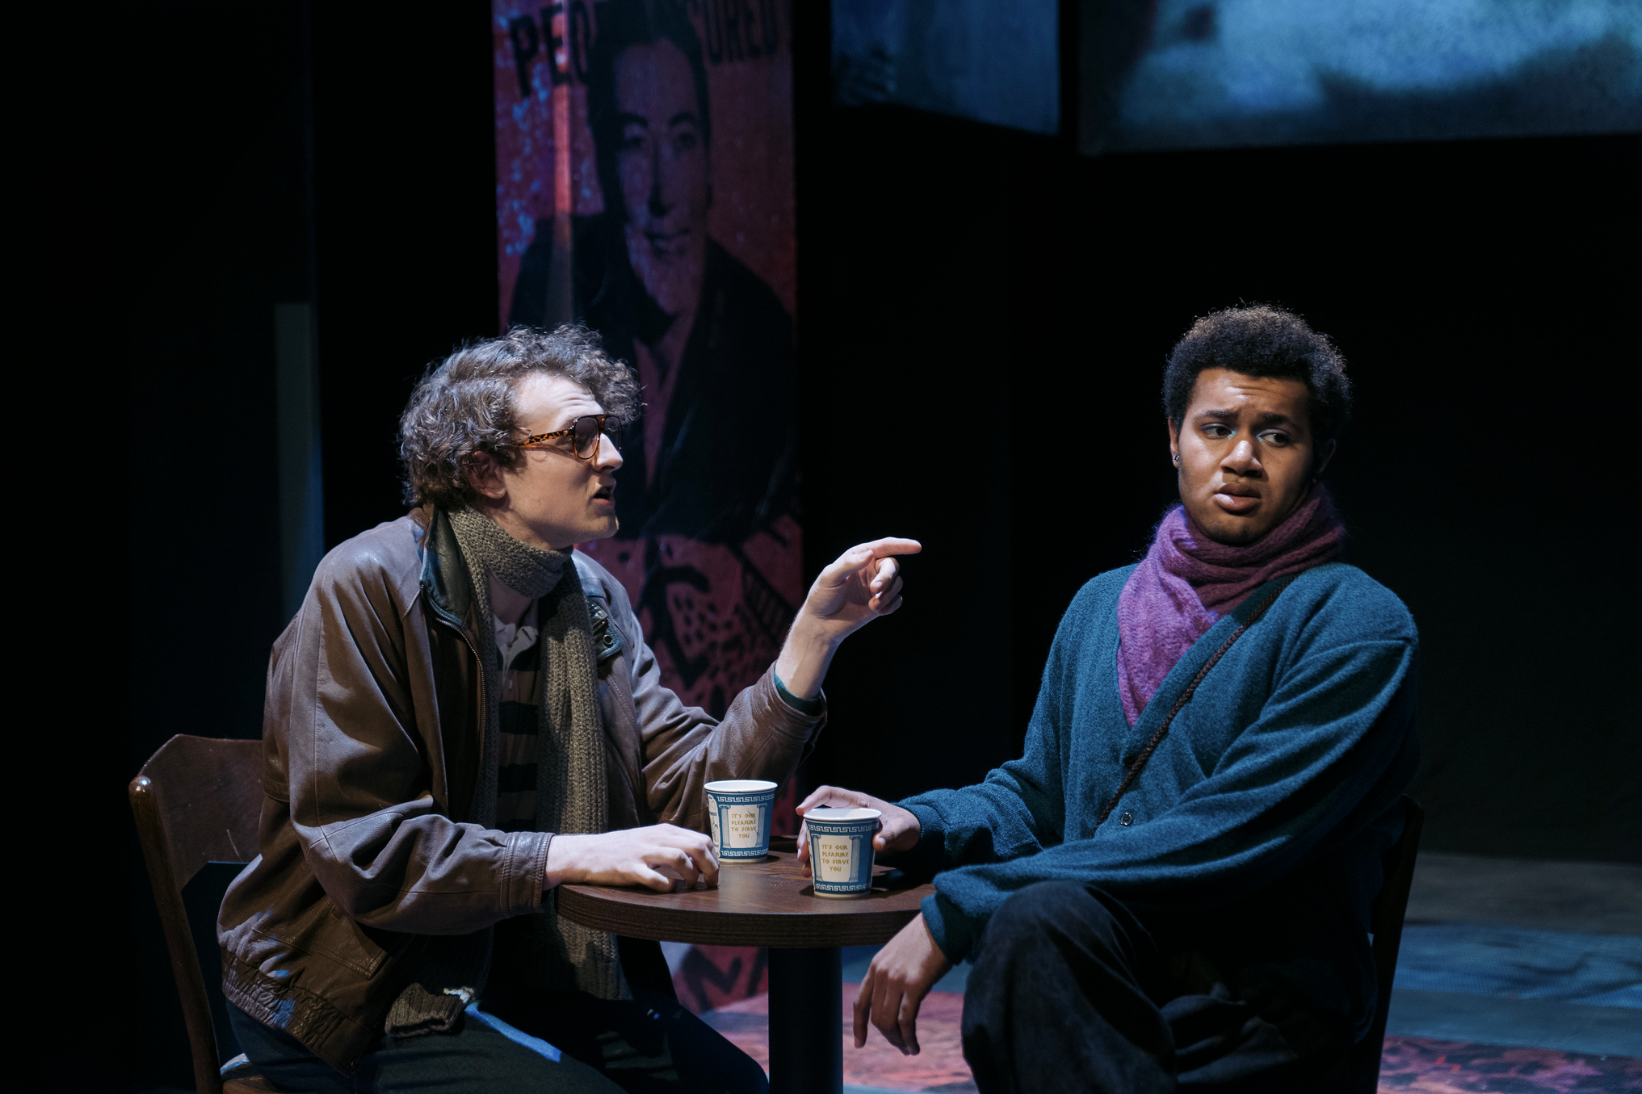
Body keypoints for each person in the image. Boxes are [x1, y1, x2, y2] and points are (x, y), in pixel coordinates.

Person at [217, 325, 920, 1093]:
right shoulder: (368, 585)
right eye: (579, 438)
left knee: (734, 1088)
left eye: (607, 433)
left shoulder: (590, 598)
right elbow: (371, 852)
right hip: (359, 992)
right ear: (487, 470)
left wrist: (811, 641)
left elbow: (693, 797)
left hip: (528, 973)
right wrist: (570, 855)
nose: (612, 456)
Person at [799, 306, 1419, 1092]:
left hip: (1250, 1014)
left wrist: (963, 908)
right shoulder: (1103, 605)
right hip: (1098, 983)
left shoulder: (1355, 625)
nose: (1242, 458)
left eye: (1277, 435)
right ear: (1173, 437)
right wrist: (925, 819)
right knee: (1038, 929)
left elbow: (1223, 836)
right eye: (1217, 427)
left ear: (1317, 456)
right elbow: (1040, 798)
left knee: (1030, 925)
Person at [510, 0, 792, 545]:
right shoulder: (557, 281)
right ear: (601, 163)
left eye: (683, 141)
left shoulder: (764, 328)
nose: (663, 195)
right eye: (635, 144)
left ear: (709, 156)